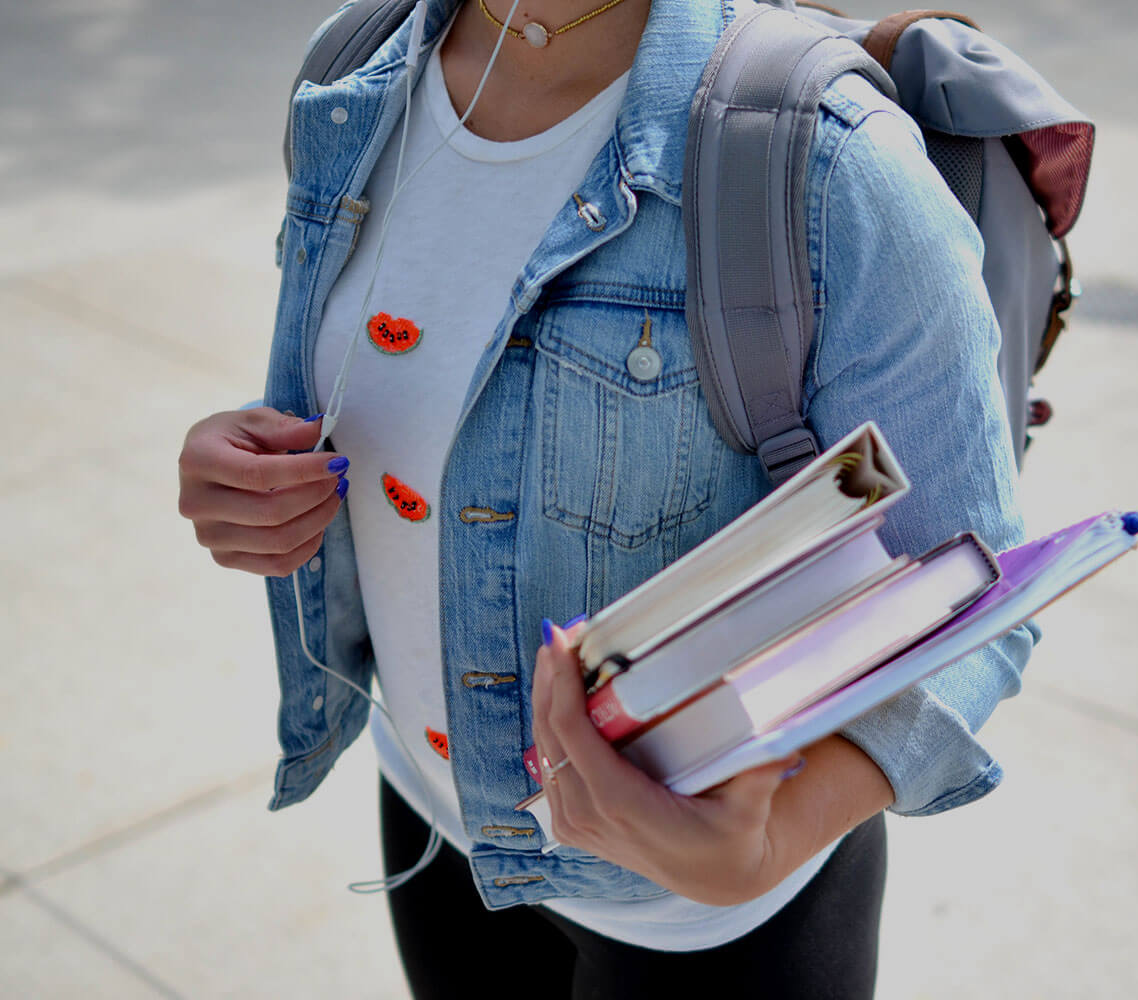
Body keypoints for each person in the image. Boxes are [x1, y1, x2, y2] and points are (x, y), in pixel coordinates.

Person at [176, 0, 1036, 995]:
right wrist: (249, 459)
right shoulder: (354, 73)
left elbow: (972, 590)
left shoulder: (829, 161)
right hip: (433, 817)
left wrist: (766, 843)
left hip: (713, 922)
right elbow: (409, 379)